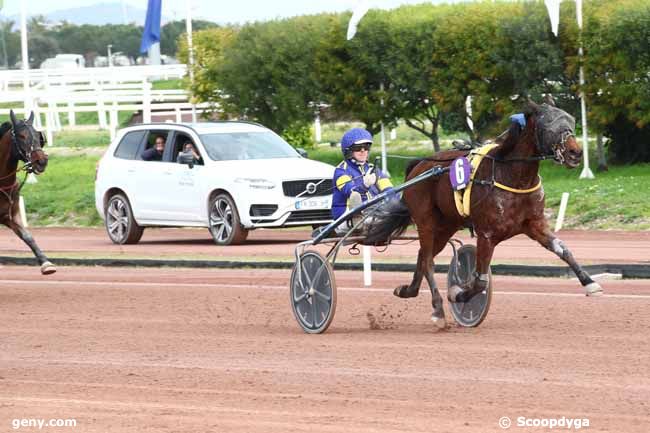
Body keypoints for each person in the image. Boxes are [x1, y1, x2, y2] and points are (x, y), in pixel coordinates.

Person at [331, 128, 394, 233]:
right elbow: (351, 192)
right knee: (356, 197)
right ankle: (357, 219)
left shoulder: (373, 169)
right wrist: (364, 185)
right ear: (348, 151)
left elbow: (388, 188)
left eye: (366, 147)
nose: (363, 151)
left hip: (373, 212)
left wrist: (395, 203)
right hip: (345, 217)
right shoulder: (341, 171)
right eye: (358, 148)